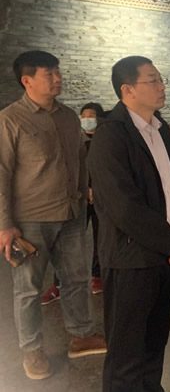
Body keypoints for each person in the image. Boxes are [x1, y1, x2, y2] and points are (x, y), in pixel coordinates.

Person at [88, 56, 170, 391]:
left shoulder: (161, 130)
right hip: (132, 258)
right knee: (127, 351)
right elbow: (123, 206)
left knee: (154, 341)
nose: (162, 86)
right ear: (128, 89)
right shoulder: (111, 135)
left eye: (161, 79)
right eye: (153, 80)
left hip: (167, 253)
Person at [0, 51, 106, 380]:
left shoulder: (69, 117)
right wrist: (5, 225)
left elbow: (80, 160)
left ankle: (81, 334)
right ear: (27, 80)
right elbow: (1, 173)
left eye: (58, 72)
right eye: (49, 74)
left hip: (72, 214)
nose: (58, 78)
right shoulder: (10, 120)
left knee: (76, 278)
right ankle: (32, 349)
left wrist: (85, 195)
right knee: (28, 289)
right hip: (31, 220)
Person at [41, 102, 106, 305]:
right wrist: (85, 189)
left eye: (91, 115)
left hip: (102, 198)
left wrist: (97, 189)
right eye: (83, 116)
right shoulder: (74, 139)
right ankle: (58, 284)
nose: (87, 119)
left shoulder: (107, 140)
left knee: (101, 239)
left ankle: (97, 276)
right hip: (78, 197)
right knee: (67, 243)